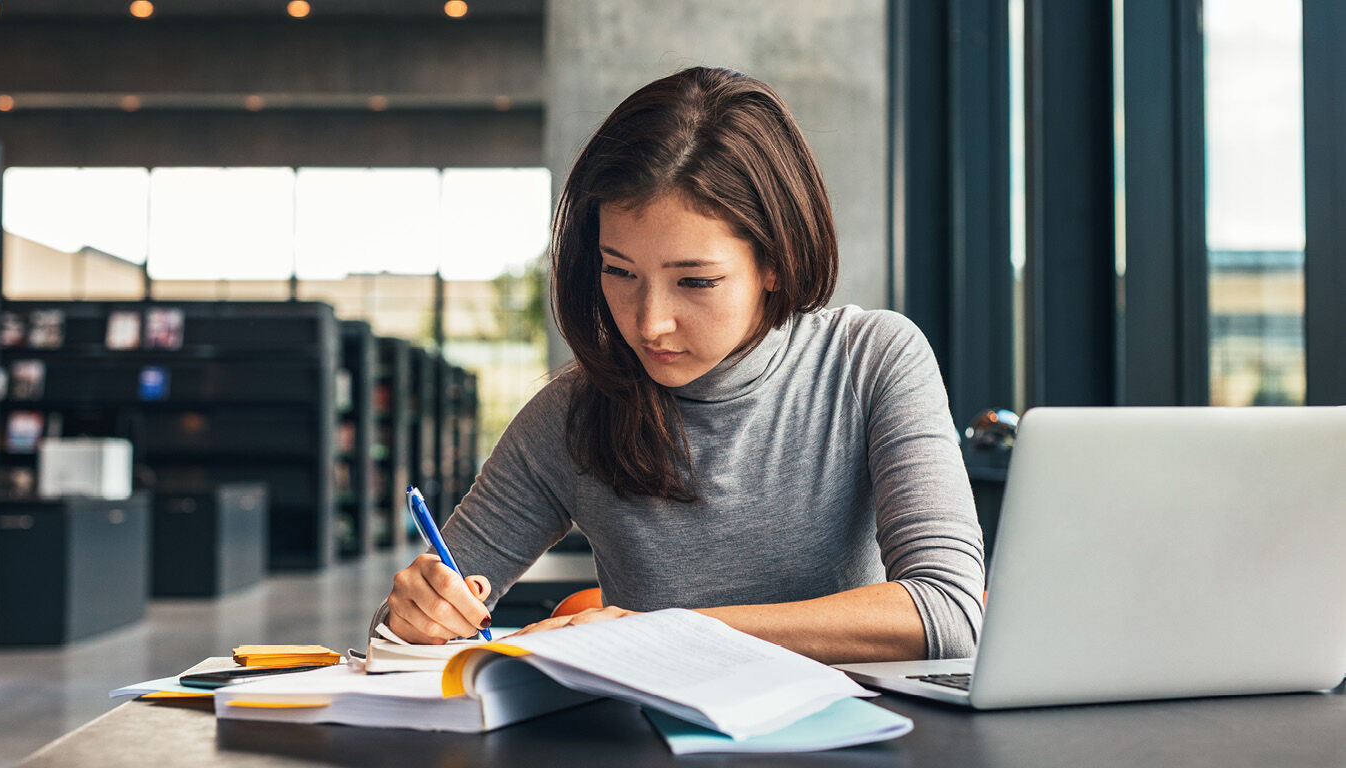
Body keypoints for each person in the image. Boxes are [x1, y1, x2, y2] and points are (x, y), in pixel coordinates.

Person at [373, 66, 984, 664]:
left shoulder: (870, 360)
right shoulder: (571, 414)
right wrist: (415, 615)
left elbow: (949, 612)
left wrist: (666, 633)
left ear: (776, 261)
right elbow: (393, 638)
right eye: (619, 272)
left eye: (695, 280)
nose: (648, 323)